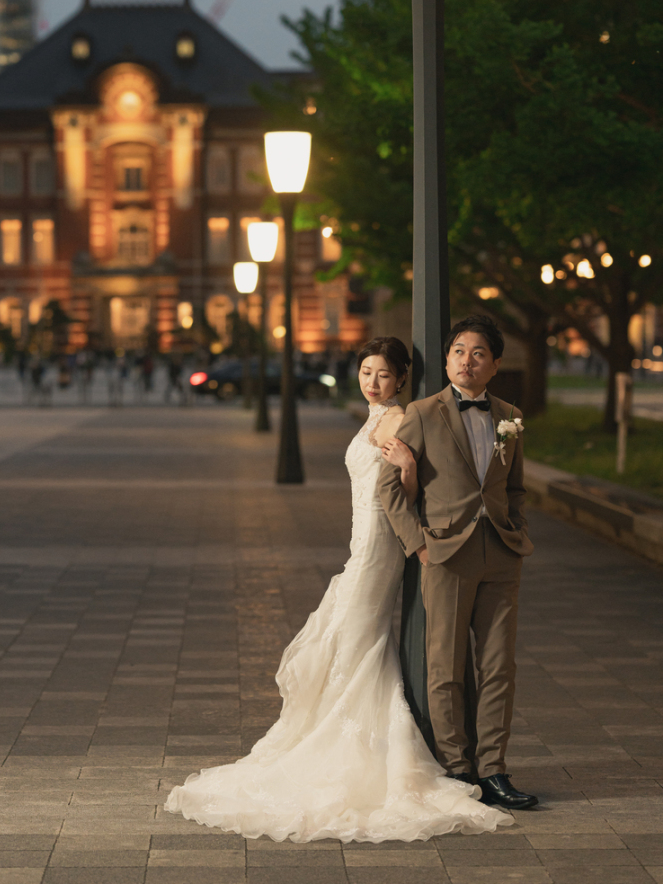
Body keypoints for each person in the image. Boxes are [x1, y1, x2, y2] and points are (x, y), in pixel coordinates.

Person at [165, 336, 511, 842]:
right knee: (354, 636)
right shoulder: (375, 417)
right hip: (361, 540)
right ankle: (337, 729)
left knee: (355, 633)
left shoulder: (398, 418)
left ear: (401, 379)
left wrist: (408, 468)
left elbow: (405, 493)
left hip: (381, 544)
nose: (373, 382)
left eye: (383, 374)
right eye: (366, 372)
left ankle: (358, 740)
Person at [378, 315, 537, 810]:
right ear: (447, 361)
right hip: (444, 554)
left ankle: (494, 770)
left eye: (479, 353)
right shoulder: (423, 413)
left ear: (495, 363)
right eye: (459, 352)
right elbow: (389, 488)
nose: (468, 361)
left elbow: (515, 487)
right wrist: (419, 546)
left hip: (501, 554)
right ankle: (457, 768)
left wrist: (517, 530)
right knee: (445, 665)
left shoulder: (510, 416)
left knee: (499, 667)